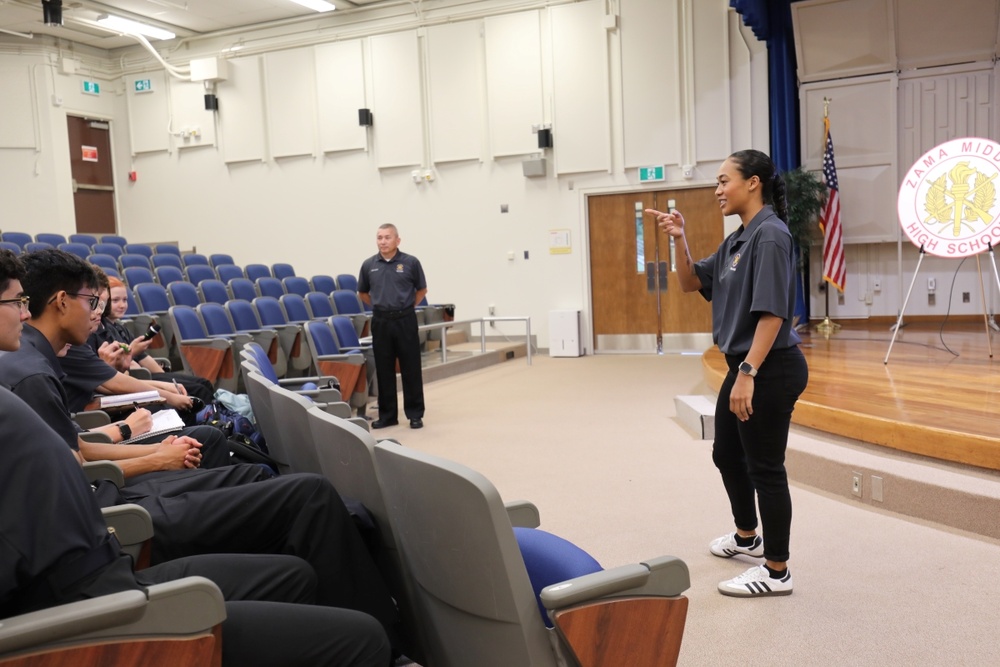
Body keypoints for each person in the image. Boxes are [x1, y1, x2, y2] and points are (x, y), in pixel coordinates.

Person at [0, 248, 391, 666]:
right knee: (312, 515)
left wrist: (146, 448)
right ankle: (389, 635)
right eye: (15, 303)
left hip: (110, 541)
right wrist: (152, 456)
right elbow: (76, 468)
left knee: (290, 552)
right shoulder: (26, 373)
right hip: (116, 547)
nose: (24, 314)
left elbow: (72, 457)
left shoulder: (23, 370)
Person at [647, 149, 809, 598]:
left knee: (765, 469)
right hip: (744, 365)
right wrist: (679, 239)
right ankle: (747, 537)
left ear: (753, 182)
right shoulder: (739, 238)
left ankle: (776, 570)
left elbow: (774, 313)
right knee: (726, 455)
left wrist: (749, 372)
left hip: (767, 368)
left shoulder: (771, 235)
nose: (717, 190)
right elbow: (688, 282)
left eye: (724, 181)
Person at [96, 275, 215, 404]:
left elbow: (144, 359)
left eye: (125, 300)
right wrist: (132, 351)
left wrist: (166, 377)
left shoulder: (120, 328)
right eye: (115, 300)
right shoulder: (101, 331)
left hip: (143, 375)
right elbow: (118, 371)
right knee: (199, 390)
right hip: (136, 378)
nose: (122, 305)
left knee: (204, 383)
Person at [357, 223, 427, 429]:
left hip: (405, 319)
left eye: (387, 237)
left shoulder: (411, 263)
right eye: (379, 237)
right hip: (381, 321)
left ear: (397, 240)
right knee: (384, 368)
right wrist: (382, 306)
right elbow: (362, 293)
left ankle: (415, 414)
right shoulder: (368, 265)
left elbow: (422, 290)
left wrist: (406, 306)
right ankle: (388, 416)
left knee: (411, 368)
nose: (383, 241)